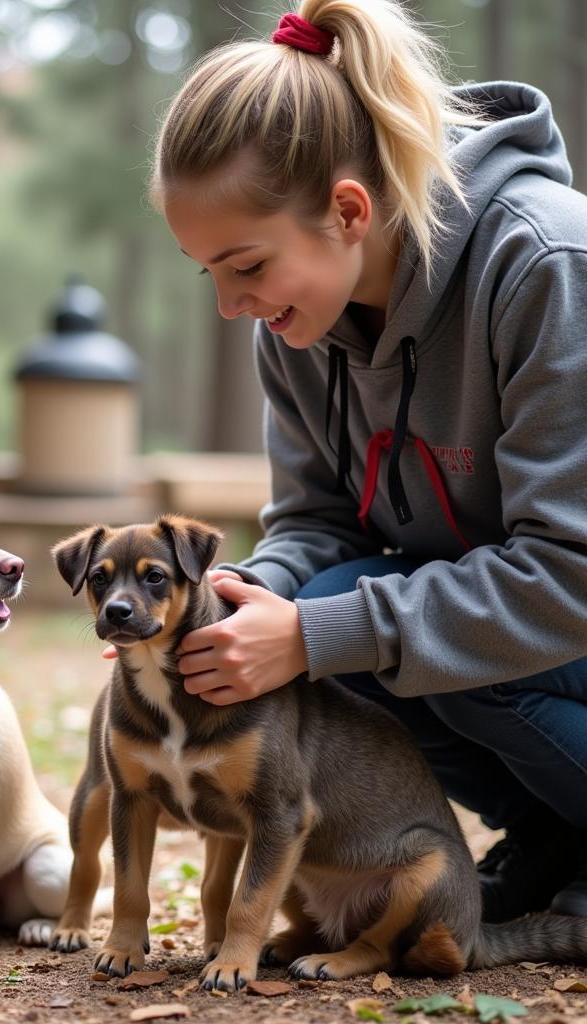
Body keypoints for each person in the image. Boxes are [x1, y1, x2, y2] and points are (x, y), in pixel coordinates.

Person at [152, 0, 587, 921]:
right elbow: (318, 521)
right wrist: (247, 601)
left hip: (568, 613)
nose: (233, 305)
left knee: (355, 625)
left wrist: (316, 632)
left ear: (349, 210)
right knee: (325, 609)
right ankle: (552, 833)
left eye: (246, 265)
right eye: (211, 274)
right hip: (522, 628)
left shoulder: (547, 264)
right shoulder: (298, 324)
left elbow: (569, 575)